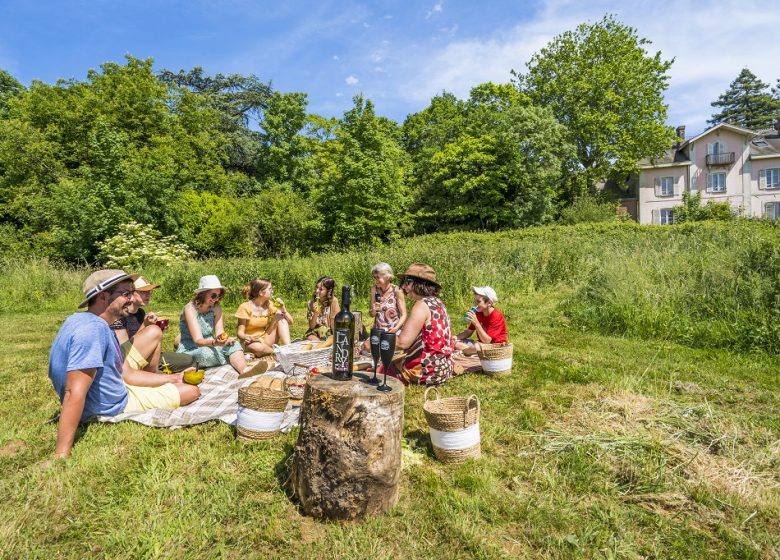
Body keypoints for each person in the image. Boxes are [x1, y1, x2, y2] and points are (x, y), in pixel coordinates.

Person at [48, 269, 200, 458]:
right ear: (104, 297)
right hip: (109, 405)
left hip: (112, 392)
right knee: (192, 391)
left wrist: (174, 378)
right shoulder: (92, 330)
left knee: (179, 384)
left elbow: (127, 374)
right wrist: (61, 453)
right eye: (126, 293)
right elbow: (73, 392)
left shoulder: (83, 321)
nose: (131, 298)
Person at [384, 263, 454, 386]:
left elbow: (402, 342)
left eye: (407, 282)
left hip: (427, 371)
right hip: (443, 368)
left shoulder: (422, 305)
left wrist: (378, 340)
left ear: (419, 283)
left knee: (380, 369)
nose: (404, 287)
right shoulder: (438, 302)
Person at [111, 276, 194, 373]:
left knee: (188, 360)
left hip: (149, 354)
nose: (148, 295)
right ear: (131, 294)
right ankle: (152, 372)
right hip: (129, 361)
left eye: (149, 292)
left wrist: (157, 330)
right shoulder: (121, 316)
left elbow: (146, 339)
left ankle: (154, 369)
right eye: (143, 292)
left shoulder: (140, 313)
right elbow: (128, 350)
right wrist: (145, 326)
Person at [177, 275, 248, 374]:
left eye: (219, 296)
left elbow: (220, 332)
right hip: (191, 347)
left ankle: (245, 371)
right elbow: (197, 340)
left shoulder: (216, 307)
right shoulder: (190, 309)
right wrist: (215, 343)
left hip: (212, 343)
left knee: (234, 344)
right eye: (213, 295)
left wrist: (224, 339)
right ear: (203, 294)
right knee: (205, 353)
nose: (216, 299)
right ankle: (231, 359)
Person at [235, 277, 293, 357]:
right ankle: (278, 352)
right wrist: (246, 337)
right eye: (270, 289)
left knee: (280, 316)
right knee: (257, 348)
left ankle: (289, 349)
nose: (272, 291)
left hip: (266, 338)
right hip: (251, 342)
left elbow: (290, 322)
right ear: (261, 293)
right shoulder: (245, 307)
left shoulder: (269, 304)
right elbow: (240, 333)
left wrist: (283, 309)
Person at [455, 286, 508, 355]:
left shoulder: (496, 316)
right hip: (481, 344)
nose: (475, 304)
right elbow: (468, 332)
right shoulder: (479, 313)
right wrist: (456, 337)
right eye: (474, 301)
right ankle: (468, 350)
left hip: (494, 346)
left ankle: (465, 351)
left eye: (478, 301)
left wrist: (476, 323)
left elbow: (487, 341)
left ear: (489, 303)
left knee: (474, 348)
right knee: (454, 342)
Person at [368, 262, 407, 333]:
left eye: (378, 277)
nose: (375, 280)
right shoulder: (374, 289)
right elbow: (371, 314)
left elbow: (403, 314)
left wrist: (396, 328)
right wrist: (373, 310)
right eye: (374, 277)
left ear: (387, 277)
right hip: (378, 330)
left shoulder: (397, 290)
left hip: (394, 330)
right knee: (365, 344)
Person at [305, 276, 340, 341]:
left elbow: (334, 325)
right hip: (315, 332)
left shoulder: (334, 301)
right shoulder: (311, 303)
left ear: (328, 291)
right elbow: (312, 326)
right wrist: (315, 313)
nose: (317, 291)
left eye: (321, 289)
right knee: (311, 339)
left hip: (329, 332)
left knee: (331, 340)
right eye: (316, 288)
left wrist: (334, 336)